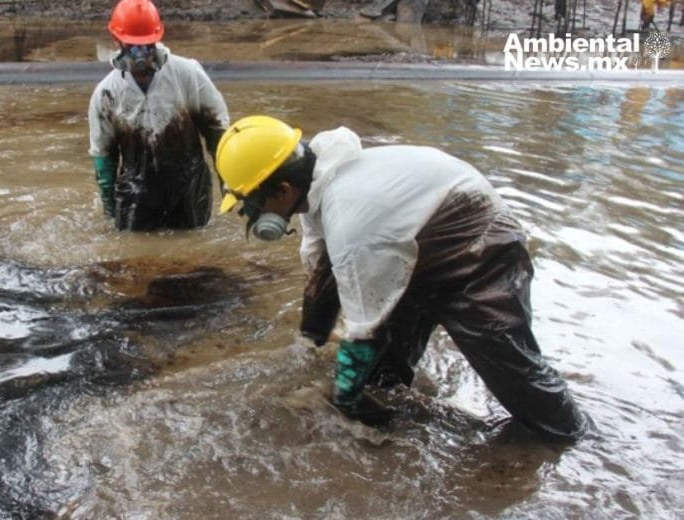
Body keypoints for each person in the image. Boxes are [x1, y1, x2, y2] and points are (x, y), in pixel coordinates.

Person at [215, 115, 589, 442]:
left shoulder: (351, 221)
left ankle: (569, 435)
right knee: (382, 370)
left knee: (510, 365)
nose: (250, 215)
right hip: (419, 242)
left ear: (283, 190)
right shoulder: (316, 185)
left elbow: (365, 328)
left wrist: (336, 394)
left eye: (251, 204)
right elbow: (319, 265)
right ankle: (386, 411)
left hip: (479, 246)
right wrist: (308, 341)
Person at [88, 0, 229, 231]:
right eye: (132, 46)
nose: (140, 54)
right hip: (135, 193)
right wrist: (109, 208)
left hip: (189, 188)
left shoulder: (187, 73)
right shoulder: (107, 93)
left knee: (192, 248)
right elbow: (103, 155)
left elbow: (218, 131)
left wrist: (227, 183)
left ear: (157, 39)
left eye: (146, 45)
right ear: (117, 41)